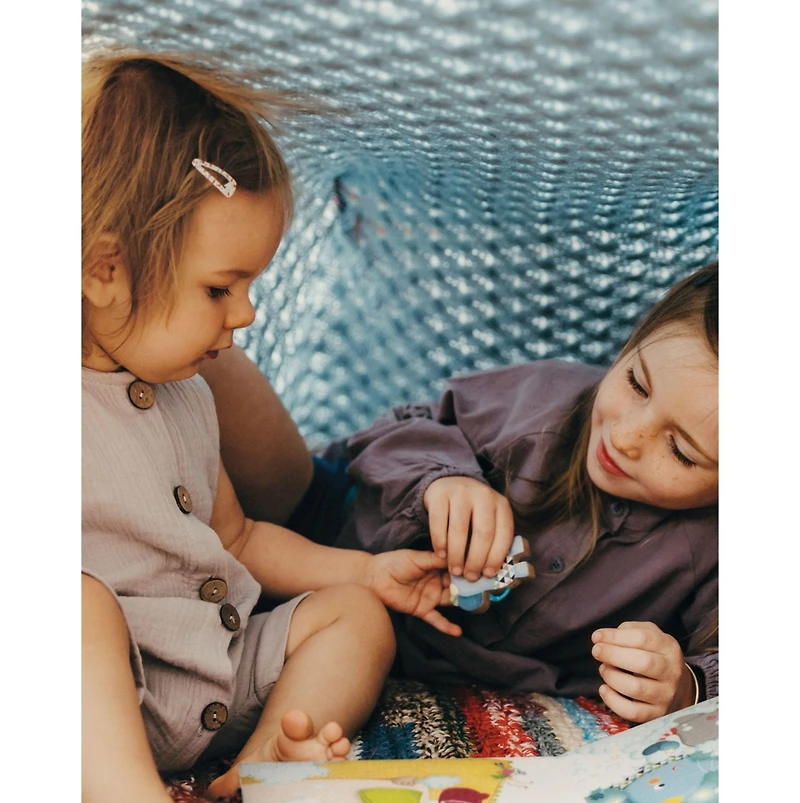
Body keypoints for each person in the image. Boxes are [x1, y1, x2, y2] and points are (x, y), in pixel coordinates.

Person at [81, 50, 459, 803]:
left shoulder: (186, 393)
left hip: (210, 668)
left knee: (353, 619)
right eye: (221, 287)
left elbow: (241, 538)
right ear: (103, 268)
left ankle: (259, 768)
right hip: (93, 705)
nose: (245, 315)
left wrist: (365, 573)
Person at [207, 263, 719, 727]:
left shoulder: (712, 551)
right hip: (322, 517)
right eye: (636, 383)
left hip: (347, 632)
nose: (626, 437)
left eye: (681, 451)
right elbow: (398, 430)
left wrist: (686, 686)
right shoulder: (548, 401)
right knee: (211, 359)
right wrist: (444, 478)